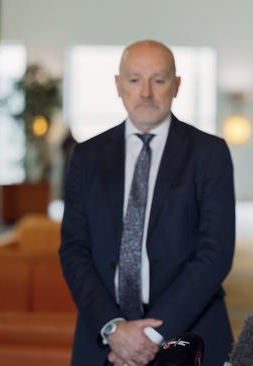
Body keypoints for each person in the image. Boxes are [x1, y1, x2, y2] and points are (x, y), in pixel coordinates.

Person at [60, 40, 235, 366]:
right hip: (102, 337)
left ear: (177, 85)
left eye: (159, 79)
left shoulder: (209, 153)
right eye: (134, 79)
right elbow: (74, 249)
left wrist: (149, 336)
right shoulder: (86, 156)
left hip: (189, 330)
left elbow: (215, 253)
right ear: (118, 84)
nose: (146, 93)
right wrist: (113, 328)